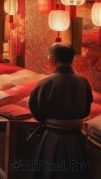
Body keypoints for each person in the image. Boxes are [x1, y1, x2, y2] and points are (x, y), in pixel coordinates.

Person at [28, 43, 93, 179]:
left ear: (53, 59)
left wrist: (53, 121)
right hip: (75, 138)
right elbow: (86, 110)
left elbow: (36, 110)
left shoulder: (46, 83)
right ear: (71, 59)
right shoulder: (84, 82)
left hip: (52, 136)